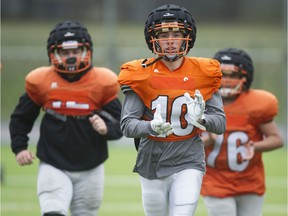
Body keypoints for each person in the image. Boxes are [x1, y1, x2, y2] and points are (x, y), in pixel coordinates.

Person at [118, 4, 226, 216]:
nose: (169, 40)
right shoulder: (141, 74)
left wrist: (202, 119)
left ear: (188, 36)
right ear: (152, 38)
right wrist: (150, 126)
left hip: (189, 158)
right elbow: (127, 126)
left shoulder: (204, 72)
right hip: (152, 160)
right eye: (163, 34)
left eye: (176, 33)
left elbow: (221, 123)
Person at [9, 20, 123, 216]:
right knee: (53, 211)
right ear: (54, 54)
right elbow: (21, 118)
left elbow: (122, 123)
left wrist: (107, 129)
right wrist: (19, 147)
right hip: (53, 163)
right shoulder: (42, 81)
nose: (71, 57)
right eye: (65, 52)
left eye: (75, 51)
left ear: (86, 51)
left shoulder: (102, 82)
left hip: (91, 166)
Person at [201, 48, 284, 216]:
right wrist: (206, 140)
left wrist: (255, 146)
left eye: (233, 75)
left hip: (249, 180)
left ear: (245, 77)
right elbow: (185, 143)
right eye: (223, 75)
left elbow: (277, 139)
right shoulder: (202, 102)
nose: (227, 80)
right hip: (216, 180)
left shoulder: (257, 104)